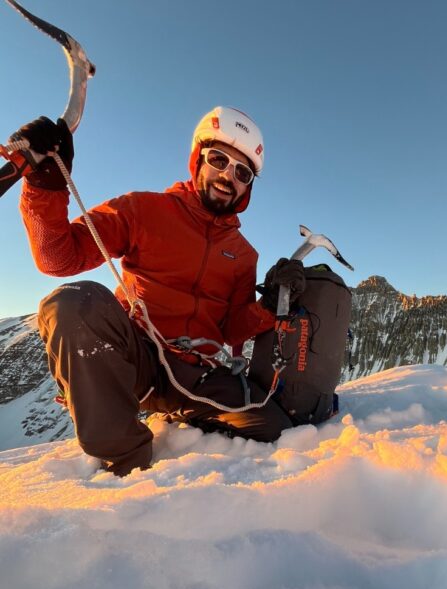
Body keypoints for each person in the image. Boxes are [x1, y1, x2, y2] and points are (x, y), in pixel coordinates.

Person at [11, 107, 305, 476]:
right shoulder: (143, 210)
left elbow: (231, 329)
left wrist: (270, 302)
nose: (228, 175)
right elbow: (57, 258)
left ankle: (183, 415)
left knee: (274, 430)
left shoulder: (244, 254)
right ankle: (124, 462)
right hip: (141, 360)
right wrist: (45, 184)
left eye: (242, 172)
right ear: (198, 159)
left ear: (248, 186)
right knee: (72, 302)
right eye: (219, 159)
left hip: (199, 375)